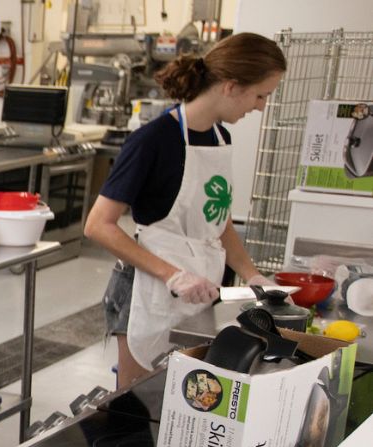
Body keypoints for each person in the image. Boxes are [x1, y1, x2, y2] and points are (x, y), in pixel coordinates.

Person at [86, 32, 287, 388]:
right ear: (230, 86)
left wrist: (253, 276)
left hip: (200, 289)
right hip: (148, 291)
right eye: (260, 95)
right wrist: (173, 276)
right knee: (139, 403)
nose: (259, 107)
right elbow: (99, 226)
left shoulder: (219, 138)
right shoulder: (152, 142)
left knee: (186, 400)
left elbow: (217, 221)